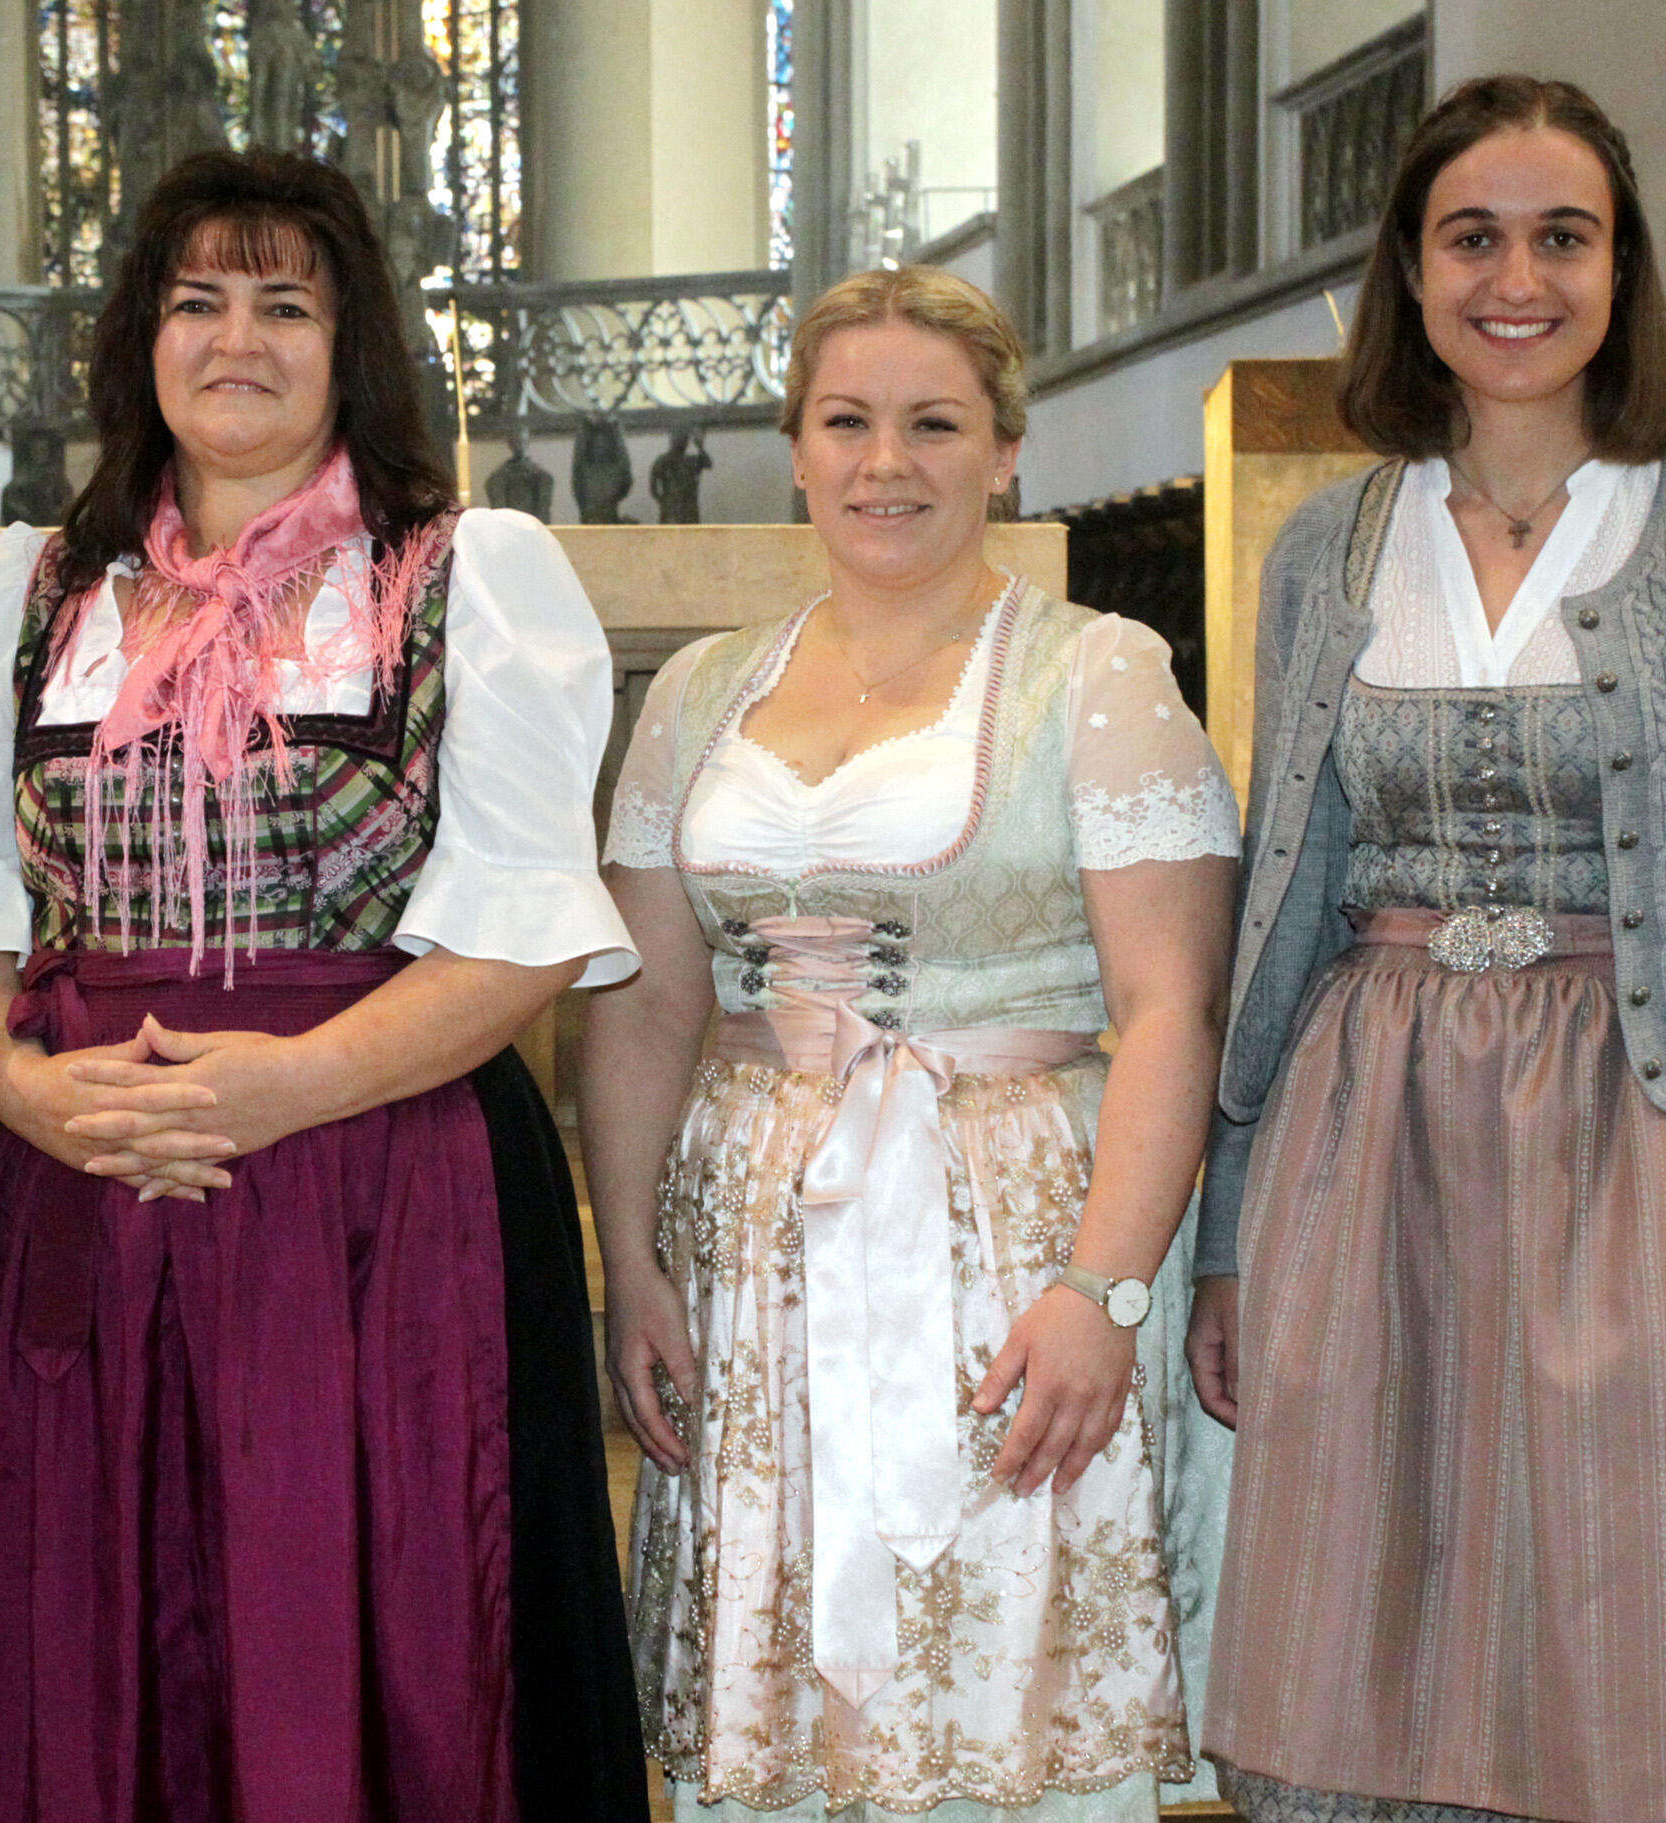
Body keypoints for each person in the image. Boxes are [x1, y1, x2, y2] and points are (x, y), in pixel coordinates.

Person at [1190, 75, 1666, 1823]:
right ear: (1411, 271)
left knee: (1641, 1660)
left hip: (1658, 1164)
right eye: (1472, 236)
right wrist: (1229, 1238)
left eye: (1561, 235)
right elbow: (1279, 910)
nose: (1514, 276)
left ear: (1623, 269)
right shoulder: (1326, 549)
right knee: (1372, 1635)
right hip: (1365, 1161)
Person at [0, 148, 649, 1822]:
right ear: (140, 343)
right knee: (85, 1632)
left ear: (351, 342)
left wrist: (282, 1085)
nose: (237, 339)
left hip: (376, 1187)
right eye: (196, 301)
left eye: (284, 304)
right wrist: (19, 1092)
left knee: (375, 1626)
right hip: (79, 1177)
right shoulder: (37, 591)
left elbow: (525, 931)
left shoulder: (463, 575)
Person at [587, 263, 1240, 1821]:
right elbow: (649, 1000)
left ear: (1006, 449)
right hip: (754, 1256)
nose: (889, 463)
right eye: (849, 421)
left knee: (1004, 1671)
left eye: (935, 424)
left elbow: (1169, 1011)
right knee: (787, 1695)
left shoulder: (1100, 675)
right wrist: (630, 1261)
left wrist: (1103, 1289)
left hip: (1010, 1242)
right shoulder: (696, 691)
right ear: (798, 447)